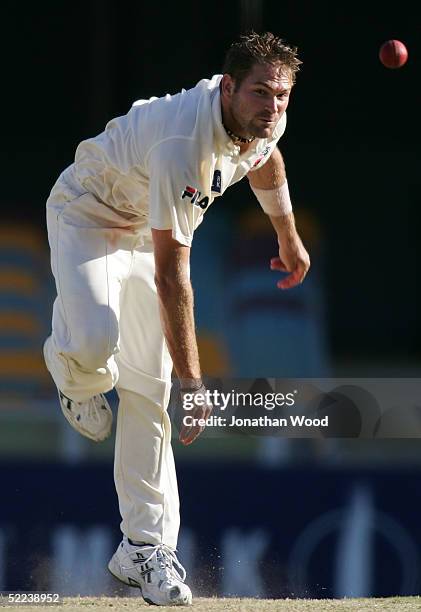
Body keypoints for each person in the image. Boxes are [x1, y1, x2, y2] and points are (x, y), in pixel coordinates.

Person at [43, 31, 310, 606]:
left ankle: (143, 548)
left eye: (283, 97)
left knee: (149, 389)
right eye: (261, 93)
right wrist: (195, 384)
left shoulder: (264, 121)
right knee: (95, 345)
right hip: (87, 212)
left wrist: (286, 234)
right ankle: (70, 370)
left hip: (145, 230)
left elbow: (264, 159)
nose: (273, 107)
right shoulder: (183, 143)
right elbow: (172, 278)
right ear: (227, 87)